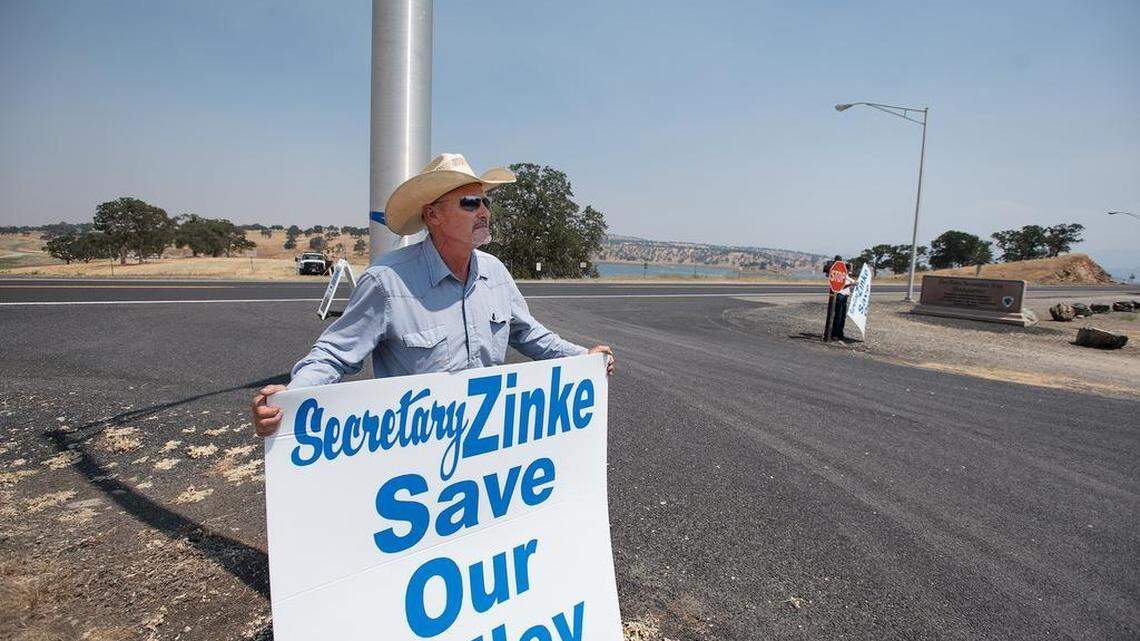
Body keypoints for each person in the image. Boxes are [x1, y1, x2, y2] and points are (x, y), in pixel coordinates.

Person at [251, 153, 614, 436]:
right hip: (416, 453)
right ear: (433, 215)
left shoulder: (495, 272)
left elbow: (528, 333)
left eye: (485, 202)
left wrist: (584, 357)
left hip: (490, 438)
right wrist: (290, 398)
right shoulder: (386, 282)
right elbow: (334, 355)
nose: (485, 212)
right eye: (470, 203)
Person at [824, 255, 856, 341]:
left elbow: (848, 279)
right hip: (840, 294)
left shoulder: (842, 270)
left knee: (842, 316)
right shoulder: (837, 270)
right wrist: (852, 283)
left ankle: (839, 333)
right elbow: (844, 282)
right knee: (838, 315)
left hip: (844, 295)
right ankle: (835, 333)